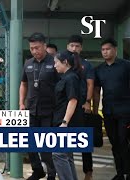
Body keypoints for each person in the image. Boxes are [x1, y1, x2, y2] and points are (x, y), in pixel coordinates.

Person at [19, 32, 58, 180]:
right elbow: (23, 84)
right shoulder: (28, 63)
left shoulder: (54, 62)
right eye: (32, 48)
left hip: (49, 111)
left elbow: (61, 86)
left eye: (37, 47)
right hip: (31, 110)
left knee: (46, 145)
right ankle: (37, 170)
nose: (35, 51)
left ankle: (51, 173)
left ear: (45, 46)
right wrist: (21, 103)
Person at [93, 38, 130, 180]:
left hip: (126, 112)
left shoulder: (126, 66)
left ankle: (127, 172)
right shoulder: (99, 70)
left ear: (115, 49)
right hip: (108, 112)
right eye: (103, 50)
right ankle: (120, 173)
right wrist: (96, 111)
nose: (105, 52)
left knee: (122, 141)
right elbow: (96, 91)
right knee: (114, 143)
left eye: (107, 49)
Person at [67, 35, 94, 180]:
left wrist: (88, 102)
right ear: (67, 47)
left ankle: (88, 172)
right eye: (72, 45)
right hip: (66, 108)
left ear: (81, 48)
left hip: (81, 106)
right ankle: (67, 172)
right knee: (65, 141)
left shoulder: (87, 65)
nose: (74, 48)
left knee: (84, 141)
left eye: (77, 46)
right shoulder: (64, 63)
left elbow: (90, 84)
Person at [52, 50, 83, 180]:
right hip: (63, 122)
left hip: (66, 123)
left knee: (58, 154)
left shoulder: (71, 78)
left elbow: (73, 100)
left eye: (56, 63)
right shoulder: (66, 77)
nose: (55, 65)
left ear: (65, 62)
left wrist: (65, 122)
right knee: (67, 156)